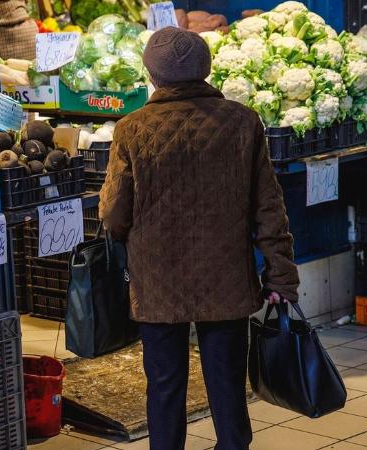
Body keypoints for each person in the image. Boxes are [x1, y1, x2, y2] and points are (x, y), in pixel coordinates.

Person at [98, 27, 300, 450]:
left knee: (165, 385)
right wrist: (280, 276)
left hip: (157, 281)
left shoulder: (132, 129)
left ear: (152, 75)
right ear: (205, 69)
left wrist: (124, 235)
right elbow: (269, 207)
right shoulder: (244, 121)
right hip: (224, 276)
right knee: (227, 383)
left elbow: (114, 214)